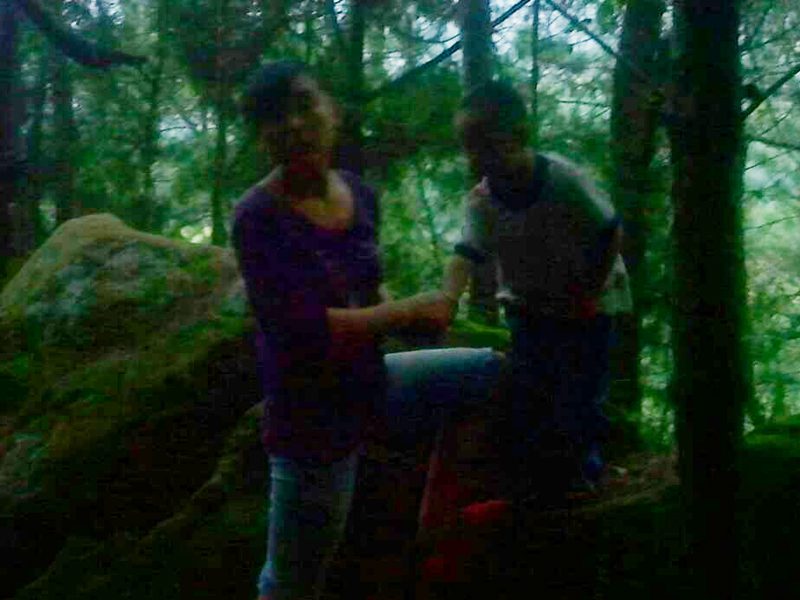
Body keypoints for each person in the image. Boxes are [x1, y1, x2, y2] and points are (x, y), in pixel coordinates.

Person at [231, 60, 502, 600]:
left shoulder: (358, 193)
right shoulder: (258, 217)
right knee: (291, 584)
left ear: (331, 110)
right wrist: (403, 313)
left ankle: (437, 533)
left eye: (304, 105)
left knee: (489, 373)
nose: (294, 124)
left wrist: (412, 321)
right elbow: (302, 333)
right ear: (261, 136)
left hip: (373, 385)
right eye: (274, 117)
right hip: (314, 423)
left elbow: (369, 292)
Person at [442, 80, 633, 507]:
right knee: (533, 386)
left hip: (588, 305)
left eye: (485, 143)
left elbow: (609, 231)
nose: (475, 156)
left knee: (581, 390)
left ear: (519, 134)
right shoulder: (482, 202)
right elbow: (465, 253)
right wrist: (446, 299)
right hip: (529, 306)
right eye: (468, 146)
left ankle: (583, 476)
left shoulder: (563, 180)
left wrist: (589, 291)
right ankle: (541, 478)